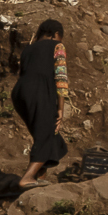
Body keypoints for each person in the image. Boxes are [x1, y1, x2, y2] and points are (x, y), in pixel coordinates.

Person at [11, 18, 69, 190]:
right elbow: (61, 78)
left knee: (48, 135)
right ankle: (28, 177)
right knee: (47, 132)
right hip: (39, 91)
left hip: (19, 93)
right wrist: (60, 108)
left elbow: (23, 72)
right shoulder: (57, 46)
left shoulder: (28, 49)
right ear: (56, 34)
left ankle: (40, 176)